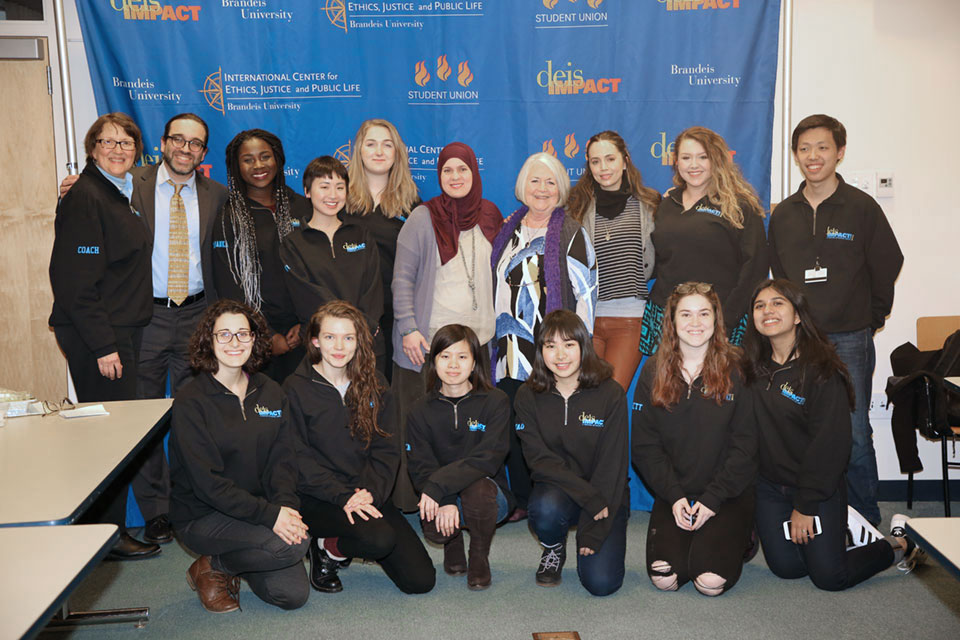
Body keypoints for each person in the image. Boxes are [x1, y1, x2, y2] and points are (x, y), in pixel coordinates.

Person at [58, 112, 229, 546]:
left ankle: (195, 501)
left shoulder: (219, 195)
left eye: (195, 143)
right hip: (142, 318)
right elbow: (83, 242)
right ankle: (155, 512)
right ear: (162, 143)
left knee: (196, 417)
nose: (185, 149)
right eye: (178, 139)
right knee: (142, 417)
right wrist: (70, 191)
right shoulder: (128, 182)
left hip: (196, 315)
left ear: (204, 152)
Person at [743, 278, 923, 591]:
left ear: (798, 315)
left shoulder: (823, 370)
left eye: (777, 303)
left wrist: (806, 506)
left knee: (829, 577)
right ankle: (842, 533)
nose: (767, 310)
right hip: (769, 488)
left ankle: (902, 545)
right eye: (760, 306)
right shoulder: (750, 369)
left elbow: (831, 446)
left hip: (815, 486)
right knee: (788, 569)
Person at [768, 114, 904, 527]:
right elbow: (778, 271)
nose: (813, 156)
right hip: (797, 341)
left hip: (849, 339)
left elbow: (888, 264)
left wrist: (871, 316)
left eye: (823, 147)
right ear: (795, 155)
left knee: (854, 431)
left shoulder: (862, 208)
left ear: (839, 152)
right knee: (799, 429)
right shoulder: (783, 214)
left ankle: (866, 519)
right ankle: (814, 513)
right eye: (805, 148)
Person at [49, 112, 160, 560]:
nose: (118, 149)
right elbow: (74, 281)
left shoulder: (122, 192)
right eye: (108, 142)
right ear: (92, 149)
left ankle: (105, 531)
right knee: (110, 441)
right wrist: (103, 346)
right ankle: (105, 536)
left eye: (127, 143)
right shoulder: (88, 196)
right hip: (99, 335)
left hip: (119, 329)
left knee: (114, 434)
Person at [284, 301, 435, 595]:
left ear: (358, 341)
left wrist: (371, 493)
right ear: (315, 340)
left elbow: (387, 449)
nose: (339, 346)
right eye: (330, 337)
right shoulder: (294, 388)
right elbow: (297, 459)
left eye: (348, 338)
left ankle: (330, 549)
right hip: (316, 498)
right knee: (378, 538)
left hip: (365, 492)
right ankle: (321, 543)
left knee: (420, 581)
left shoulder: (375, 383)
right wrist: (342, 496)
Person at [169, 299, 309, 612]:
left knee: (291, 595)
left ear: (255, 339)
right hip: (203, 514)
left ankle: (227, 564)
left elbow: (283, 461)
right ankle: (214, 562)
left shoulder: (271, 392)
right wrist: (271, 517)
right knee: (294, 545)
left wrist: (286, 507)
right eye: (224, 335)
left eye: (243, 334)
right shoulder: (191, 401)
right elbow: (207, 485)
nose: (235, 343)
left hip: (256, 509)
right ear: (209, 341)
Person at [391, 141, 503, 511]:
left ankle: (472, 502)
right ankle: (418, 503)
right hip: (428, 345)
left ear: (475, 172)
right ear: (439, 176)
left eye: (463, 169)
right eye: (447, 171)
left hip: (480, 343)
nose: (456, 177)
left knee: (473, 435)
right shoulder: (423, 217)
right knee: (422, 431)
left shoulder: (491, 215)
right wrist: (408, 327)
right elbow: (402, 279)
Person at [490, 151, 597, 520]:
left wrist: (577, 348)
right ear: (522, 186)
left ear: (560, 190)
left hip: (554, 351)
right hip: (509, 349)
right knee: (517, 430)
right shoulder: (508, 231)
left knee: (552, 431)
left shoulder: (572, 232)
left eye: (551, 182)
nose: (542, 189)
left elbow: (586, 295)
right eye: (535, 180)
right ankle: (522, 498)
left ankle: (558, 499)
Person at [632, 282, 756, 596]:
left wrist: (712, 499)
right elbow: (645, 446)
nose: (695, 322)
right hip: (675, 493)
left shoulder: (737, 367)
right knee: (666, 579)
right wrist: (673, 496)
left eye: (704, 313)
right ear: (672, 322)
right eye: (685, 314)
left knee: (709, 583)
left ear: (717, 320)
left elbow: (746, 445)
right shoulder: (653, 370)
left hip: (725, 494)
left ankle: (744, 534)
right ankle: (692, 537)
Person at [515, 310, 629, 596]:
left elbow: (612, 465)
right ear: (541, 351)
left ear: (583, 347)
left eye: (569, 344)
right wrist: (586, 496)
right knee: (544, 509)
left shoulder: (610, 393)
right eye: (550, 346)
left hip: (604, 493)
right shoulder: (527, 395)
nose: (560, 355)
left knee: (601, 584)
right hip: (557, 492)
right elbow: (538, 461)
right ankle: (554, 546)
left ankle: (587, 539)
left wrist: (594, 528)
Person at [640, 126, 767, 355]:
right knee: (668, 388)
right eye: (686, 157)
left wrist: (726, 320)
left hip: (721, 319)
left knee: (719, 388)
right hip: (666, 320)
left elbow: (755, 269)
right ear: (676, 162)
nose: (693, 165)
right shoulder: (667, 204)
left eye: (702, 157)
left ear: (716, 160)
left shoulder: (739, 206)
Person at [406, 324, 514, 590]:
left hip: (488, 497)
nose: (453, 364)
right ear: (434, 361)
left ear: (475, 361)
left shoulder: (495, 401)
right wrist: (445, 498)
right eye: (445, 356)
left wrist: (440, 486)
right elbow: (419, 464)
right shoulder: (419, 410)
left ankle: (479, 555)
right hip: (439, 497)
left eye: (462, 356)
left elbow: (488, 458)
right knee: (434, 526)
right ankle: (452, 543)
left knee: (477, 488)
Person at [212, 128, 311, 383]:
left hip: (305, 334)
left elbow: (320, 270)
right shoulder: (228, 217)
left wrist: (307, 323)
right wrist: (264, 335)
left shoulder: (303, 207)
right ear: (236, 167)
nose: (258, 165)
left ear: (278, 159)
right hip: (254, 337)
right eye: (248, 159)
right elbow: (229, 285)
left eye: (265, 156)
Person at [567, 130, 661, 390]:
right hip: (588, 321)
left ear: (625, 160)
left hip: (630, 320)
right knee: (584, 397)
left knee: (611, 395)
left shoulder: (650, 204)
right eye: (595, 162)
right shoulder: (576, 207)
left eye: (610, 159)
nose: (603, 168)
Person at [281, 156, 384, 369]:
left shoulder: (362, 235)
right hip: (323, 347)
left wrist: (362, 330)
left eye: (339, 187)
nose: (333, 195)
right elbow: (307, 296)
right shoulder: (292, 244)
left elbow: (373, 289)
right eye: (324, 187)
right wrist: (343, 332)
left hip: (366, 343)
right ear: (307, 192)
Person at [346, 118, 420, 381]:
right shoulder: (339, 198)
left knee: (385, 396)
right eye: (371, 144)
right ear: (359, 151)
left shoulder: (412, 205)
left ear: (397, 153)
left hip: (393, 319)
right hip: (347, 316)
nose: (379, 151)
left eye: (387, 145)